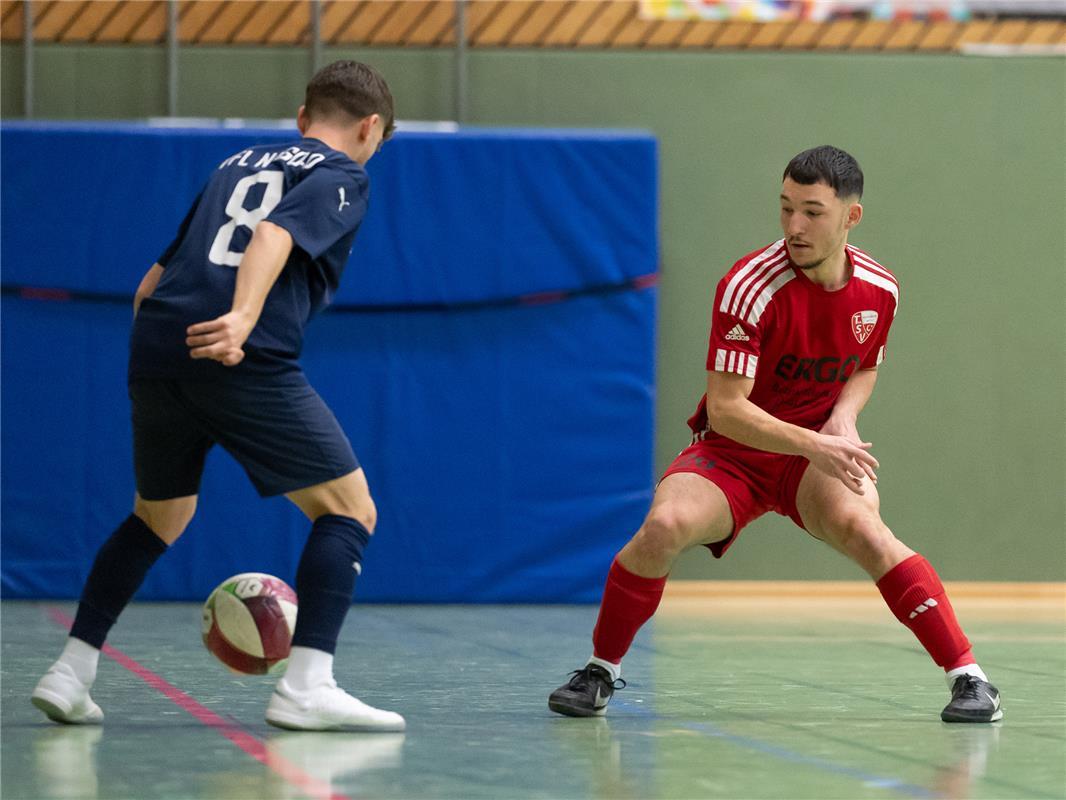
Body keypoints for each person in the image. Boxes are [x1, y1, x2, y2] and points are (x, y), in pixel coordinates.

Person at [549, 145, 1002, 724]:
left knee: (867, 530)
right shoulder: (749, 287)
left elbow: (866, 365)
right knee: (663, 526)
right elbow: (727, 410)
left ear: (851, 217)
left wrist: (842, 419)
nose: (794, 226)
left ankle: (971, 680)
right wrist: (816, 442)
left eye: (812, 212)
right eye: (786, 207)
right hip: (735, 455)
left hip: (814, 457)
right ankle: (599, 672)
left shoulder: (880, 290)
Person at [31, 60, 405, 732]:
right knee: (350, 510)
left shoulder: (234, 164)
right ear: (370, 128)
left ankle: (70, 671)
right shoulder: (341, 174)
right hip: (238, 352)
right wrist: (240, 318)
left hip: (157, 346)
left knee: (157, 517)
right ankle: (307, 686)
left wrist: (156, 359)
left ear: (302, 115)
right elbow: (273, 234)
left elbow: (154, 279)